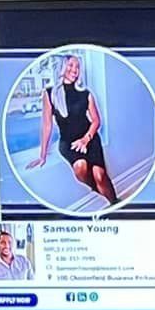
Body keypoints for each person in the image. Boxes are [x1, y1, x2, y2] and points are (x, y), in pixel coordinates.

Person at [29, 52, 119, 206]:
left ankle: (115, 203)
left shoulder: (86, 94)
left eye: (77, 67)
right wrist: (42, 155)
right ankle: (97, 189)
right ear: (62, 67)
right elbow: (47, 125)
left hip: (89, 138)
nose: (75, 70)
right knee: (81, 168)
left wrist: (86, 139)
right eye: (71, 65)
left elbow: (96, 121)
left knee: (100, 175)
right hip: (68, 143)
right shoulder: (50, 94)